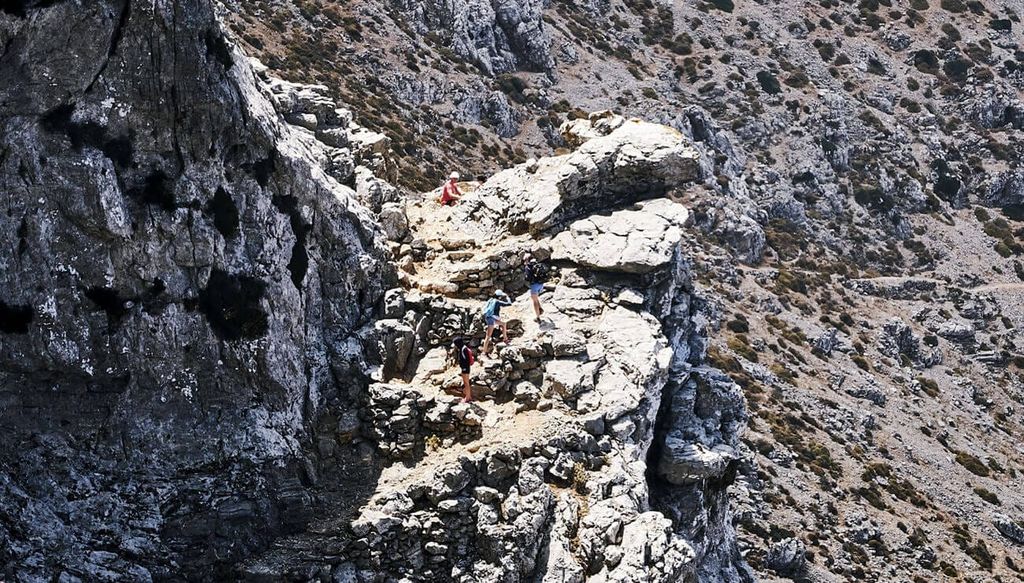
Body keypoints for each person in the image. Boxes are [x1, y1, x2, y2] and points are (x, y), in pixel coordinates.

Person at [481, 290, 512, 356]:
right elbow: (509, 304)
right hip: (492, 319)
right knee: (488, 336)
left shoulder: (490, 300)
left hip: (489, 318)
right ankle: (484, 352)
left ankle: (505, 339)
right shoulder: (497, 302)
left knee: (503, 324)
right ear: (499, 296)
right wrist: (507, 297)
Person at [523, 254, 546, 320]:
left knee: (534, 301)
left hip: (534, 285)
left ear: (527, 259)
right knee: (536, 298)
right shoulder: (537, 263)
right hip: (541, 284)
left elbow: (528, 278)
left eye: (525, 260)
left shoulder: (528, 267)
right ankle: (540, 309)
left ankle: (538, 317)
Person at [452, 336, 475, 402]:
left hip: (465, 369)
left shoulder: (463, 349)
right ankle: (469, 396)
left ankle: (467, 398)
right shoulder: (463, 348)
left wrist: (463, 368)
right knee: (466, 383)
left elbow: (466, 361)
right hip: (465, 368)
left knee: (466, 383)